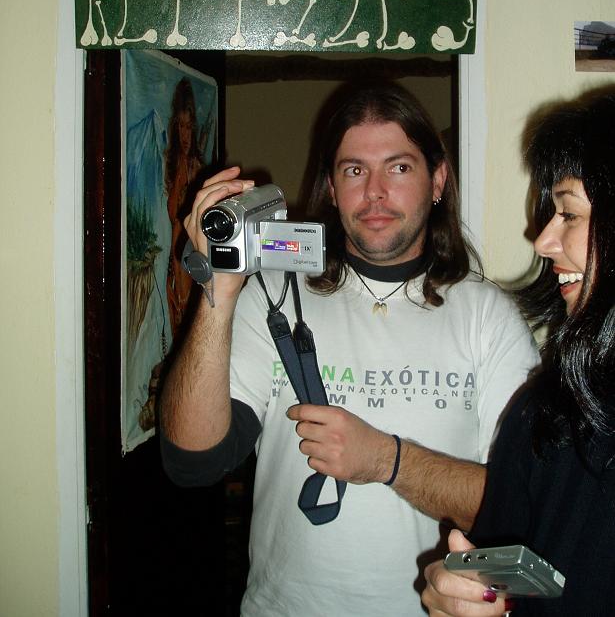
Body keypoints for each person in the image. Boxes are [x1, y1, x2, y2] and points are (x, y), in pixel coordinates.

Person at [160, 80, 538, 616]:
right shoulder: (272, 295)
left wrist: (385, 459)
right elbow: (192, 462)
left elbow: (526, 504)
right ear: (332, 189)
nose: (375, 192)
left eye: (399, 167)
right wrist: (218, 292)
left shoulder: (488, 318)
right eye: (354, 171)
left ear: (437, 180)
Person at [421, 89, 615, 616]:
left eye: (569, 214)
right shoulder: (541, 413)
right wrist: (464, 600)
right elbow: (499, 582)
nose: (543, 240)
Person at [165, 77, 205, 338]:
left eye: (189, 127)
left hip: (189, 252)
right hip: (173, 253)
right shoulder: (172, 166)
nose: (185, 134)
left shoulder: (197, 169)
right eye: (181, 126)